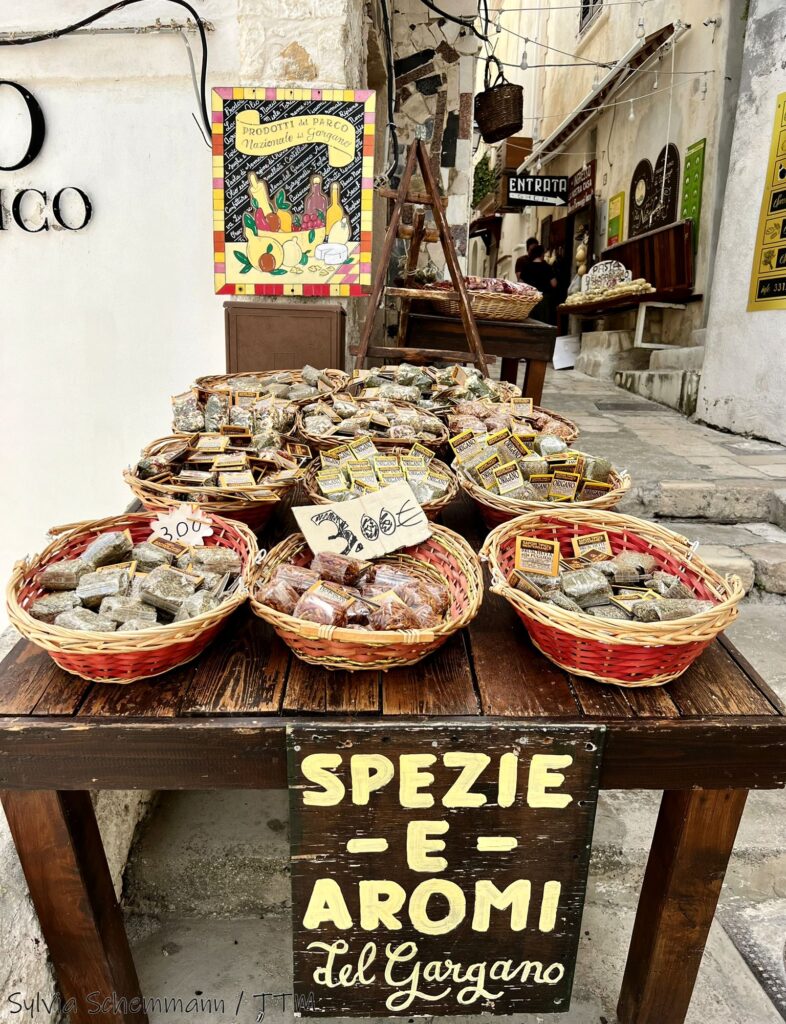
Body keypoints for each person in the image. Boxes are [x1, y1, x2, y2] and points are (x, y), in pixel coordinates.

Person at [517, 243, 558, 323]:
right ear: (542, 254)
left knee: (530, 321)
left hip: (530, 299)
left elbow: (520, 283)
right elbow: (554, 284)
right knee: (542, 322)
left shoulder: (526, 267)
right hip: (543, 300)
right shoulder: (547, 267)